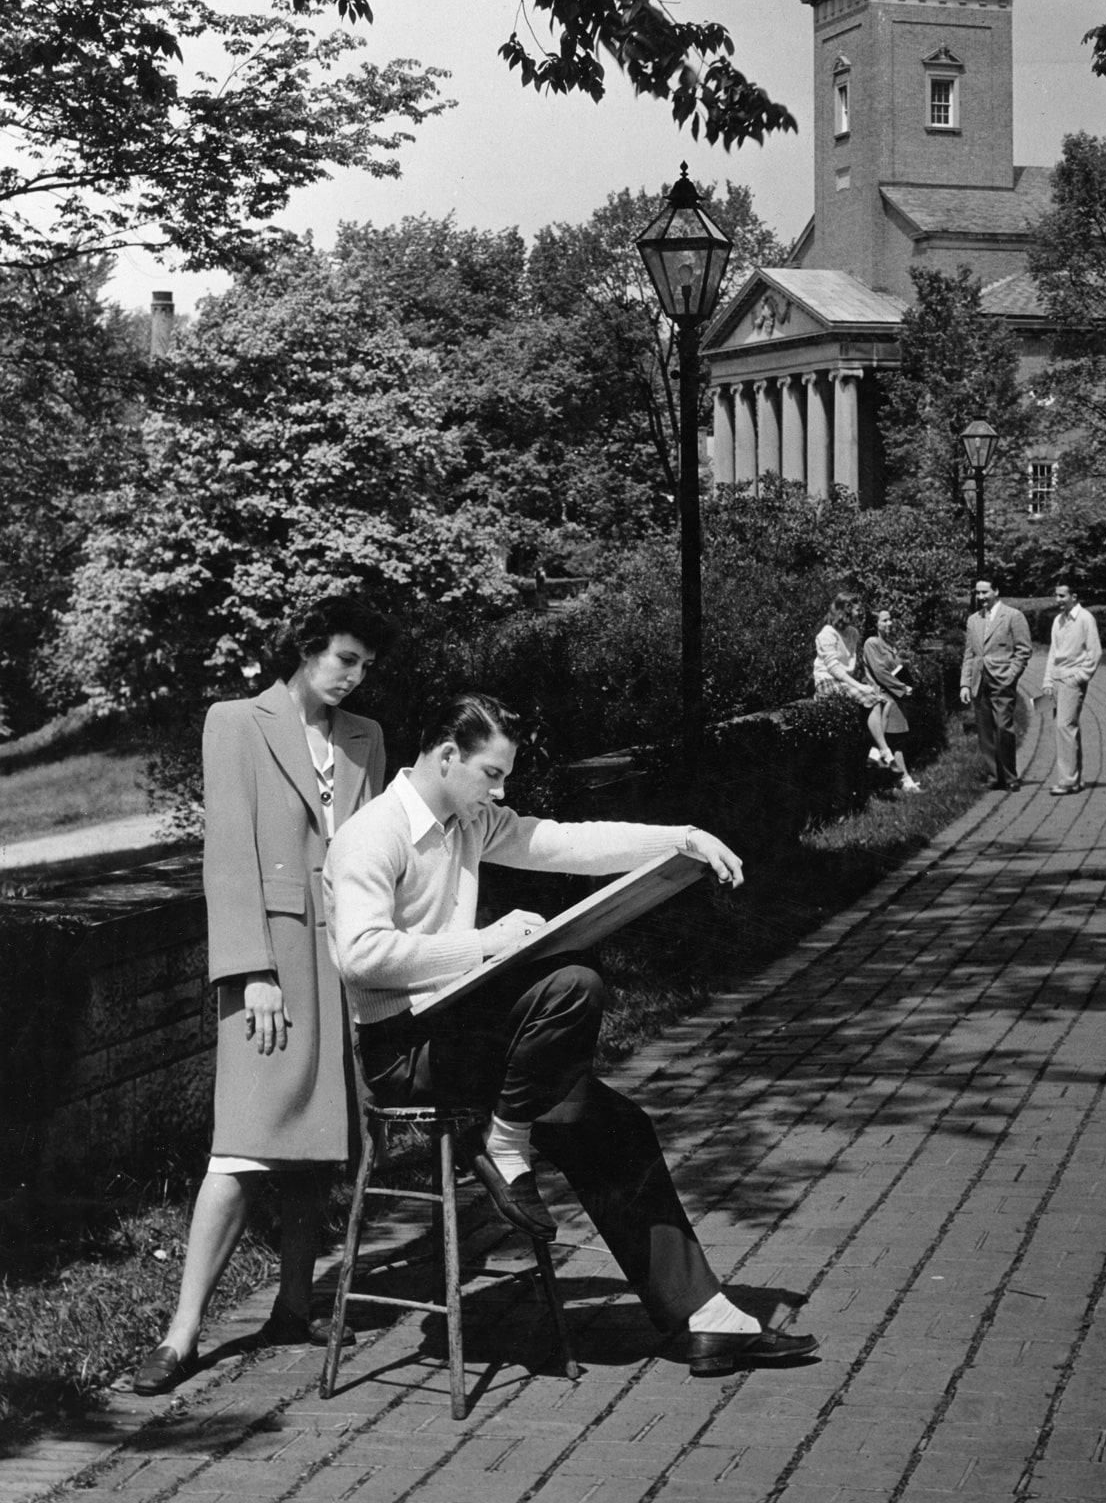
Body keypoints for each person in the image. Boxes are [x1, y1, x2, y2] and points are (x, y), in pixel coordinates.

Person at [323, 693, 819, 1380]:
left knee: (615, 1125)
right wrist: (483, 944)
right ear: (444, 757)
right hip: (404, 1053)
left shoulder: (465, 817)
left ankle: (702, 1319)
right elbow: (359, 955)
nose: (499, 790)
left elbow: (560, 840)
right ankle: (503, 1140)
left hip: (461, 1032)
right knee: (572, 984)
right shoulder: (371, 835)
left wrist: (680, 838)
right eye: (491, 774)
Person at [132, 597, 394, 1396]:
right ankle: (181, 1337)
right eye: (344, 658)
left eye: (365, 666)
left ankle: (293, 1304)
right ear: (307, 648)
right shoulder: (236, 723)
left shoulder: (366, 739)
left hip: (340, 956)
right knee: (243, 1144)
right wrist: (252, 972)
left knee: (318, 1138)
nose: (353, 676)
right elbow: (229, 856)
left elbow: (368, 855)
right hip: (271, 960)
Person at [959, 573, 1033, 790]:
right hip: (979, 680)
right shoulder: (973, 620)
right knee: (984, 730)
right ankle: (994, 776)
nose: (981, 596)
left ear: (996, 591)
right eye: (978, 592)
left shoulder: (1013, 616)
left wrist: (1011, 676)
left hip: (1002, 679)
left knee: (1003, 728)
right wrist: (965, 683)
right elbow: (969, 653)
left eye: (985, 592)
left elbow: (1024, 650)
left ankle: (1010, 777)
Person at [813, 591, 898, 771]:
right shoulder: (827, 634)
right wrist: (859, 686)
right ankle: (885, 754)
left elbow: (850, 666)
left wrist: (865, 685)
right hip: (827, 680)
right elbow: (834, 669)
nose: (860, 613)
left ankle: (874, 755)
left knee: (882, 701)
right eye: (857, 609)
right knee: (872, 700)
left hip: (844, 680)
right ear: (847, 610)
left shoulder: (853, 633)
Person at [1043, 578, 1103, 795]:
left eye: (1062, 595)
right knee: (1063, 729)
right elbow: (1053, 652)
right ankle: (1075, 779)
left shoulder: (1086, 619)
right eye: (1056, 595)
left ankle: (1068, 781)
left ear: (1074, 597)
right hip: (1057, 680)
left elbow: (1094, 653)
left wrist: (1079, 678)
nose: (1057, 599)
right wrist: (1048, 681)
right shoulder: (1058, 620)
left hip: (1071, 681)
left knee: (1065, 727)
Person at [860, 608, 922, 793]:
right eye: (884, 620)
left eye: (890, 620)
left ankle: (897, 780)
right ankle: (904, 780)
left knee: (895, 741)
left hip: (894, 696)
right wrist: (902, 688)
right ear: (874, 624)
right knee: (893, 741)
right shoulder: (871, 643)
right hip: (884, 696)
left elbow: (893, 668)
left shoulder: (888, 643)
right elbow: (879, 672)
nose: (889, 623)